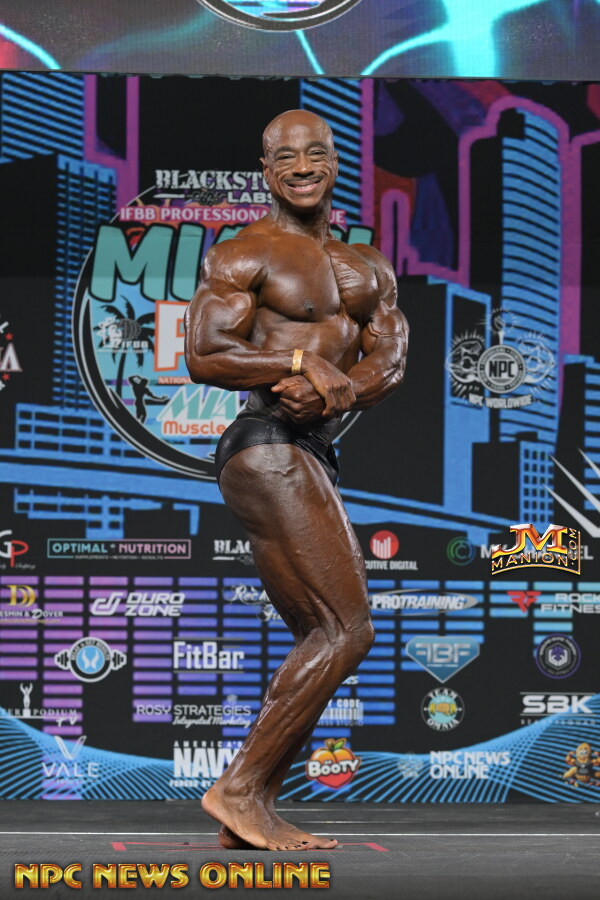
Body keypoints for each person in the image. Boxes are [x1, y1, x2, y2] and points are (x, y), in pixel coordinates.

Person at [184, 109, 408, 851]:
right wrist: (297, 361)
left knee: (324, 635)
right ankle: (238, 788)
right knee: (349, 629)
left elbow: (390, 361)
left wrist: (341, 390)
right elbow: (205, 353)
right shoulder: (246, 253)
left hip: (310, 448)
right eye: (286, 157)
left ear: (335, 161)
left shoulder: (368, 267)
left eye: (316, 153)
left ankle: (251, 807)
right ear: (266, 169)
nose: (303, 166)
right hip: (265, 442)